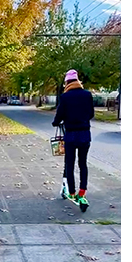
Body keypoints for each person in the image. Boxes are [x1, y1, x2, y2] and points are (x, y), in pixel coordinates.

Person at [52, 69, 94, 212]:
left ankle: (71, 192)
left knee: (69, 164)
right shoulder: (87, 95)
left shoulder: (65, 97)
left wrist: (56, 122)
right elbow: (91, 114)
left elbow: (59, 115)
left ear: (67, 82)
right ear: (77, 81)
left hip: (70, 135)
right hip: (84, 134)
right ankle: (82, 192)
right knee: (83, 164)